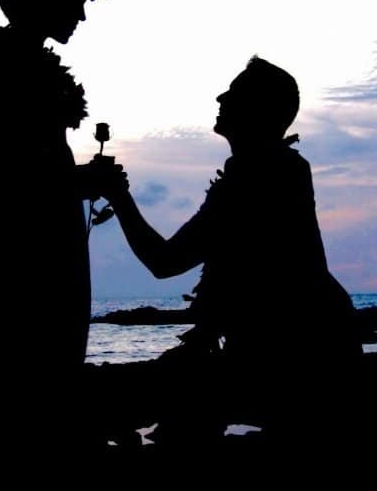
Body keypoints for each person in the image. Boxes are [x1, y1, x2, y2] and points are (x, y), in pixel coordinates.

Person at [103, 57, 360, 443]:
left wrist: (119, 197)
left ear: (258, 110)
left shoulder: (260, 174)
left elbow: (165, 262)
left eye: (234, 93)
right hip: (303, 343)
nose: (221, 97)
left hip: (294, 354)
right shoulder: (270, 168)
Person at [0, 0, 111, 419]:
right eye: (76, 4)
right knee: (25, 360)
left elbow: (23, 155)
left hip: (46, 221)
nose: (81, 19)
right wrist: (72, 178)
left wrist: (74, 180)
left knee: (52, 353)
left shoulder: (26, 61)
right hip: (16, 231)